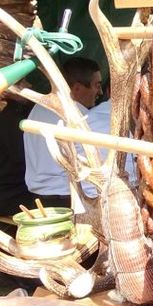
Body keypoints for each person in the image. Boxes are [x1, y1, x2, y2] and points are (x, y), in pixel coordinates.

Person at [23, 56, 102, 207]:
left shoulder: (37, 108)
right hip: (67, 197)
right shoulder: (78, 116)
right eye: (97, 85)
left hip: (38, 196)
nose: (100, 91)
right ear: (77, 88)